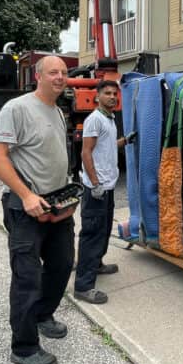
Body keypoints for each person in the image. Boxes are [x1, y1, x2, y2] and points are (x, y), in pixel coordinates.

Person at [0, 56, 74, 364]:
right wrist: (26, 195)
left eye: (64, 72)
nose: (60, 77)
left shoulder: (58, 111)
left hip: (56, 204)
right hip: (24, 207)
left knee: (62, 264)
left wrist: (68, 194)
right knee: (27, 277)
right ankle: (23, 347)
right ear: (38, 76)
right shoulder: (17, 108)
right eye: (53, 72)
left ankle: (42, 315)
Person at [74, 79, 133, 304]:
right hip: (96, 188)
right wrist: (96, 183)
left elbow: (106, 146)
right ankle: (83, 286)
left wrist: (125, 141)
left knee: (104, 229)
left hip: (107, 186)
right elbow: (86, 153)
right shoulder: (94, 120)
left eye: (114, 94)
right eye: (107, 93)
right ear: (97, 96)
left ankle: (96, 264)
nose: (112, 97)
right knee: (91, 234)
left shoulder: (109, 119)